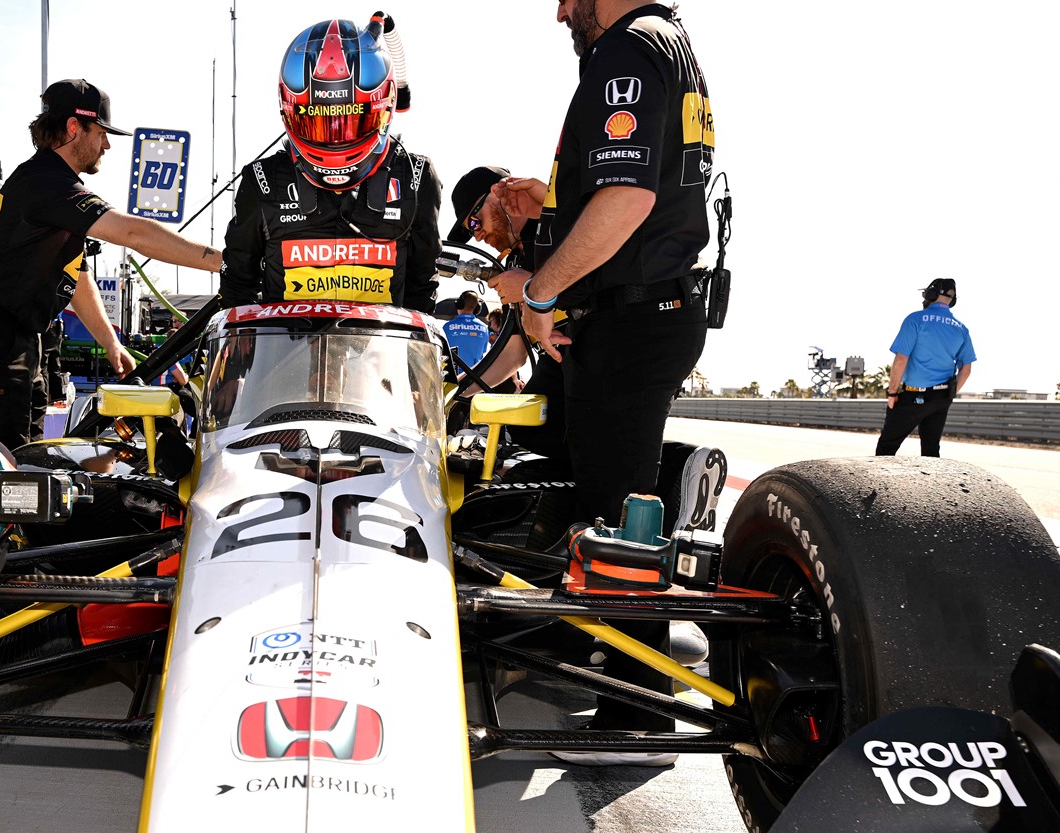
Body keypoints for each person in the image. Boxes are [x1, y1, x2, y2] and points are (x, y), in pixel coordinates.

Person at [483, 1, 720, 765]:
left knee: (616, 520)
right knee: (608, 505)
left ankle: (638, 712)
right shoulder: (666, 45)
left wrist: (538, 291)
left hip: (633, 318)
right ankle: (617, 675)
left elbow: (627, 199)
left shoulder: (627, 52)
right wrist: (548, 217)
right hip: (645, 312)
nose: (560, 11)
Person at [0, 79, 221, 449]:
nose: (107, 145)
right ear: (74, 127)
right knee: (7, 461)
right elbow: (133, 233)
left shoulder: (49, 183)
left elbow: (77, 276)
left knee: (29, 455)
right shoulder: (46, 182)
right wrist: (225, 263)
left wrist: (111, 344)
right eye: (102, 133)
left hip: (13, 332)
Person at [221, 15, 441, 312]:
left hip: (381, 343)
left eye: (351, 121)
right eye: (316, 122)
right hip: (284, 344)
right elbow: (236, 290)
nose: (335, 139)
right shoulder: (262, 180)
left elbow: (421, 291)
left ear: (387, 104)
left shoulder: (416, 177)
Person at [875, 278, 975, 457]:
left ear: (930, 294)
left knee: (886, 448)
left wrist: (892, 393)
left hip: (913, 396)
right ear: (953, 299)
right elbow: (966, 370)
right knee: (931, 452)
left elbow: (901, 359)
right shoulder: (961, 329)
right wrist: (948, 396)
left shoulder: (915, 319)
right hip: (941, 398)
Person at [444, 290, 491, 370]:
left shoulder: (447, 327)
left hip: (452, 374)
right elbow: (482, 351)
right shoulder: (484, 328)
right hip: (474, 374)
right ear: (477, 308)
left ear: (459, 304)